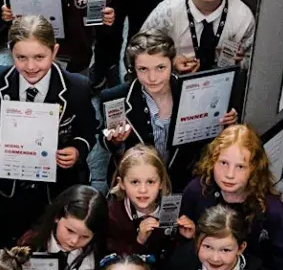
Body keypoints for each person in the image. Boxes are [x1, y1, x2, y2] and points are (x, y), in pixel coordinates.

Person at [0, 15, 97, 247]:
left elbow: (89, 130)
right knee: (2, 245)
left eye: (39, 57)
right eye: (21, 58)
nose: (30, 66)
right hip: (9, 187)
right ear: (10, 52)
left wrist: (77, 149)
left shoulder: (77, 87)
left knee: (52, 243)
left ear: (55, 51)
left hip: (57, 188)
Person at [99, 31, 237, 189]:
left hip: (182, 180)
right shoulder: (115, 97)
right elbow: (104, 141)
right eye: (143, 69)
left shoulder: (195, 91)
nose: (152, 77)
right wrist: (115, 140)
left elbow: (207, 142)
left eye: (160, 68)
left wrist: (224, 124)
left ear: (172, 63)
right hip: (136, 184)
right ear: (133, 69)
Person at [180, 124, 283, 270]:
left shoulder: (271, 210)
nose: (229, 174)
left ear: (254, 169)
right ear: (212, 161)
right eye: (223, 163)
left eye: (240, 167)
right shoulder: (196, 191)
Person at [105, 145, 183, 263]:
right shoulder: (113, 214)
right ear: (121, 183)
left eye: (150, 182)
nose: (143, 190)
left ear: (161, 183)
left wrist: (186, 237)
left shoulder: (171, 206)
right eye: (135, 182)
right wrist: (139, 241)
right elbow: (113, 260)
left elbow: (173, 252)